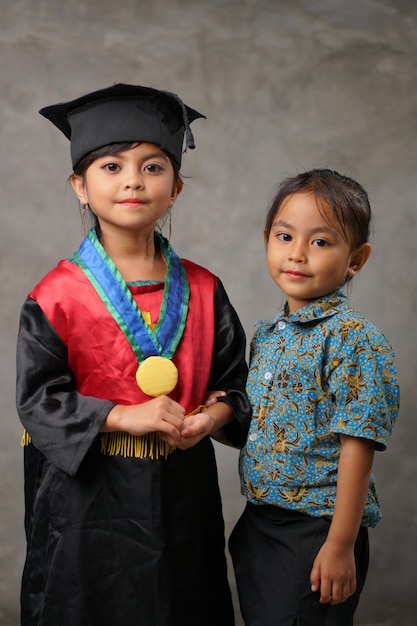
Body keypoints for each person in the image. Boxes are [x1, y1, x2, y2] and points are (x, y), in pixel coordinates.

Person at [16, 83, 251, 626]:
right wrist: (124, 414)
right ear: (79, 185)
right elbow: (38, 400)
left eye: (152, 167)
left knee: (183, 603)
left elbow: (239, 383)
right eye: (111, 166)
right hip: (86, 506)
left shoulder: (205, 290)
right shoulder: (57, 296)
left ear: (176, 188)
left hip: (181, 496)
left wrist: (210, 418)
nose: (132, 181)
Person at [228, 169, 400, 626]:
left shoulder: (352, 340)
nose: (298, 254)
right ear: (268, 238)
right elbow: (262, 425)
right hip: (260, 521)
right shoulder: (267, 335)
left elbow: (357, 443)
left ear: (356, 259)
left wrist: (340, 544)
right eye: (285, 236)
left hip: (317, 529)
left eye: (321, 242)